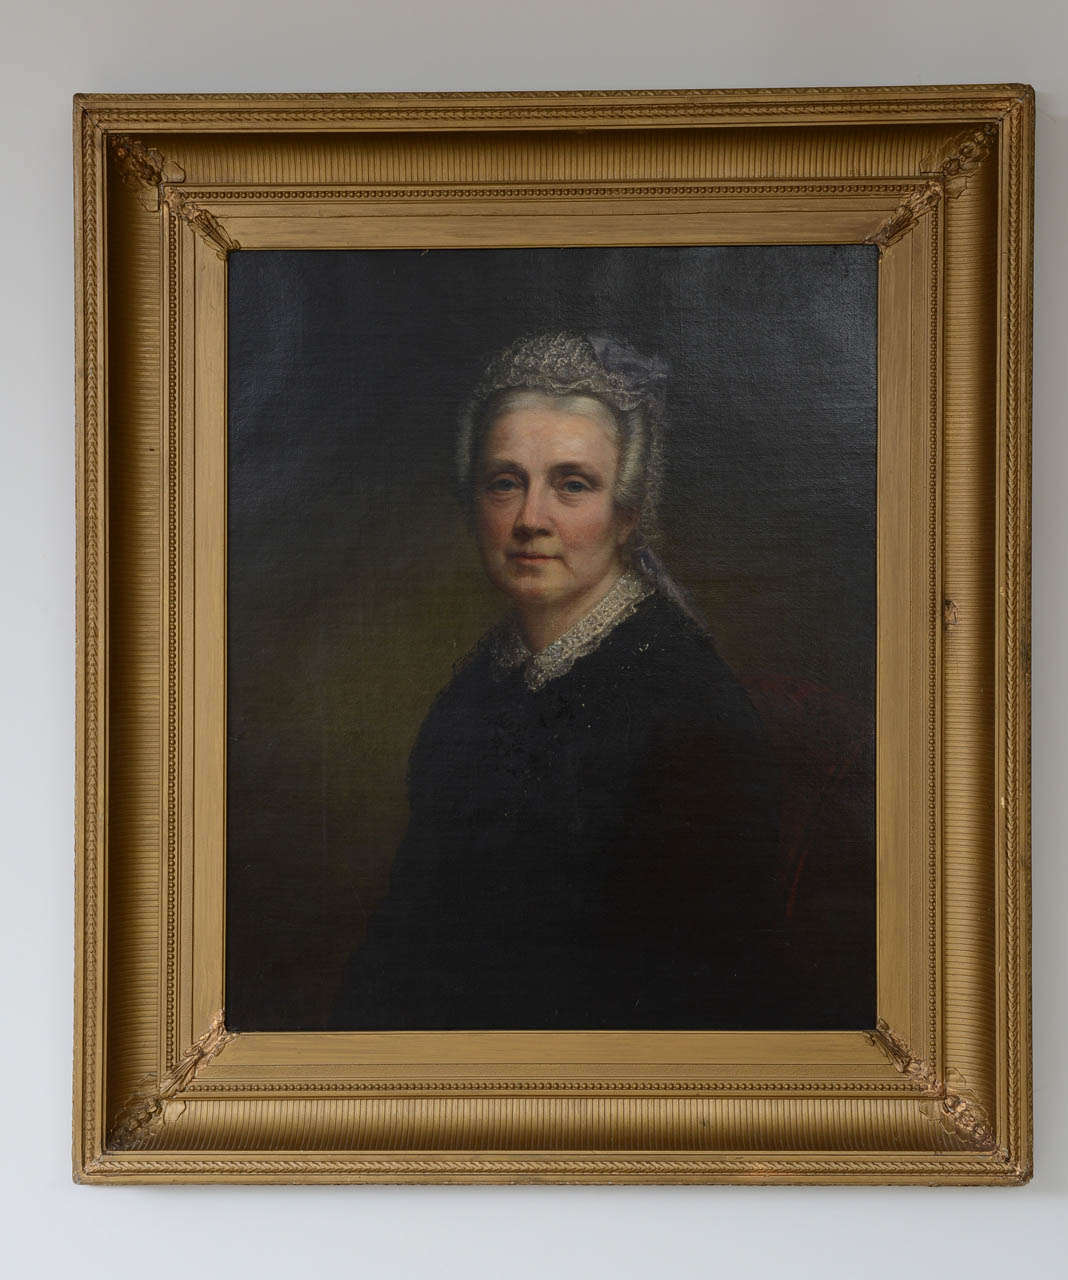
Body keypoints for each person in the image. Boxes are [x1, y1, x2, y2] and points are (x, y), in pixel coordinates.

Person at [331, 332, 782, 1031]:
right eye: (505, 482)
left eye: (572, 485)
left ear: (627, 513)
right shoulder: (476, 691)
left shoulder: (689, 708)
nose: (530, 520)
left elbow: (692, 989)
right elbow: (408, 938)